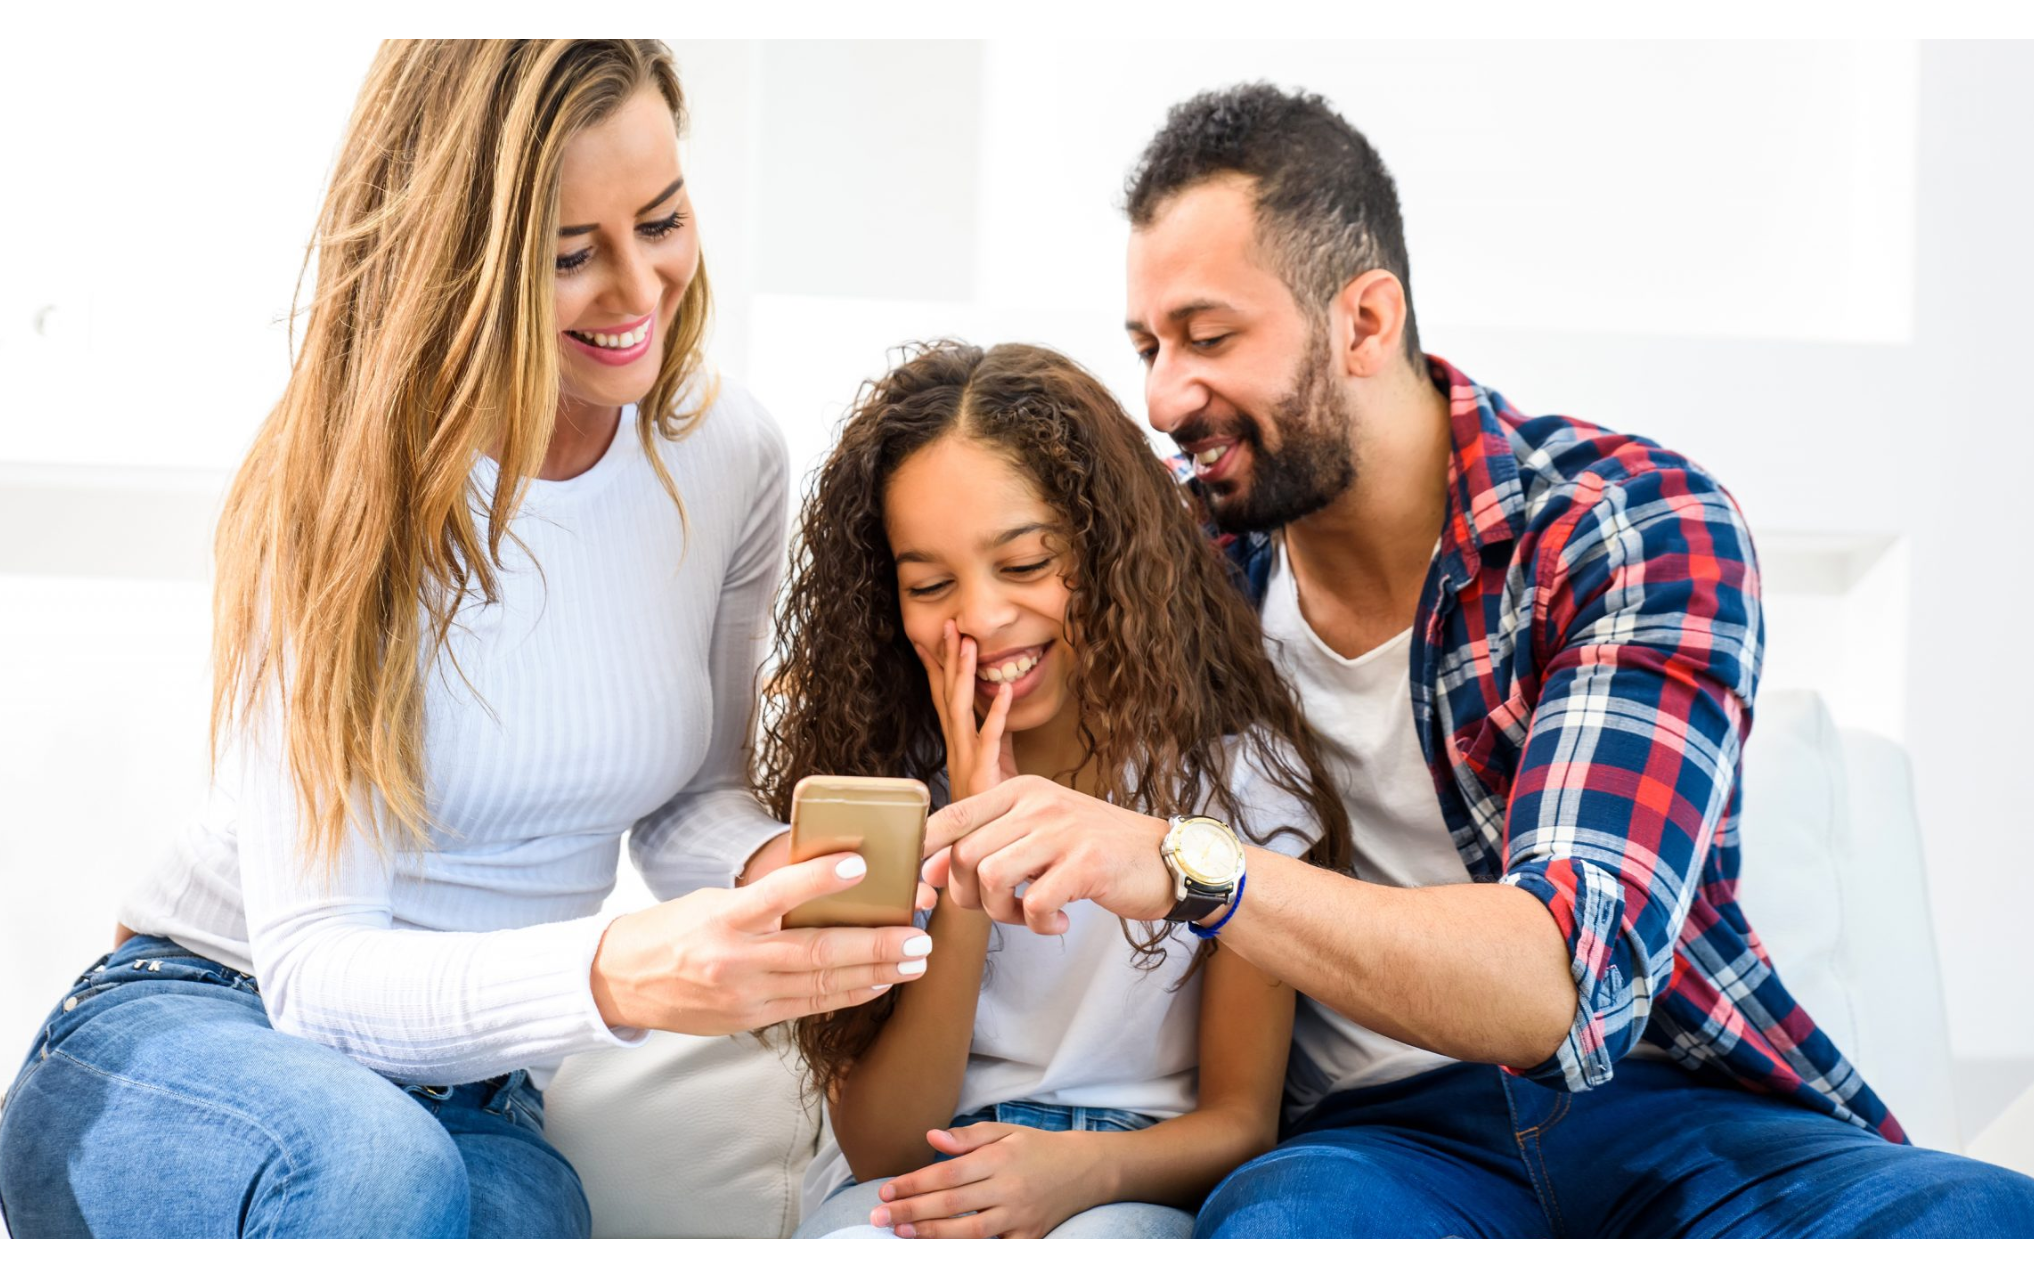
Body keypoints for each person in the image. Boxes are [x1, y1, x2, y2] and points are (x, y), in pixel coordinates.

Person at [923, 84, 2034, 1237]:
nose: (1163, 395)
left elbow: (1555, 983)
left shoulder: (1623, 525)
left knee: (1979, 1221)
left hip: (1668, 1104)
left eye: (1209, 338)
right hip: (1371, 1137)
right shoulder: (1183, 564)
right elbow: (944, 603)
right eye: (1149, 346)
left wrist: (1188, 862)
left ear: (1365, 320)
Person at [0, 40, 933, 1240]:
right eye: (569, 257)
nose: (640, 291)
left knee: (513, 1214)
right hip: (198, 1029)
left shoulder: (727, 452)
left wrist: (784, 878)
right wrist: (610, 974)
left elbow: (685, 797)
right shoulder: (343, 488)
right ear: (460, 258)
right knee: (384, 1176)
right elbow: (316, 968)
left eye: (662, 220)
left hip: (477, 1087)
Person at [760, 341, 1353, 1239]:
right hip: (914, 1180)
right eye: (929, 584)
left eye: (1028, 565)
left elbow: (1241, 1124)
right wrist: (965, 850)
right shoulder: (876, 794)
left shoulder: (1239, 795)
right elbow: (882, 1142)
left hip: (1125, 1179)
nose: (984, 618)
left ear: (1106, 554)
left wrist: (1082, 1171)